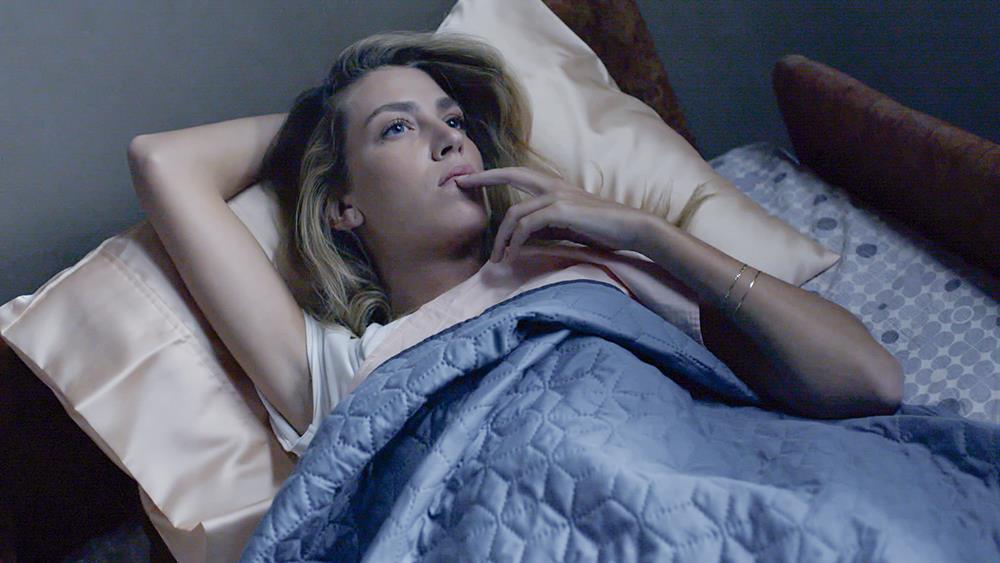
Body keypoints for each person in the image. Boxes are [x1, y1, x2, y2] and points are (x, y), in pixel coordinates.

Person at [126, 31, 903, 454]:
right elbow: (161, 162)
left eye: (453, 119)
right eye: (399, 129)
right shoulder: (340, 369)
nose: (448, 138)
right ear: (342, 208)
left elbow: (869, 382)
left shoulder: (592, 270)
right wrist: (318, 128)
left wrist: (649, 234)